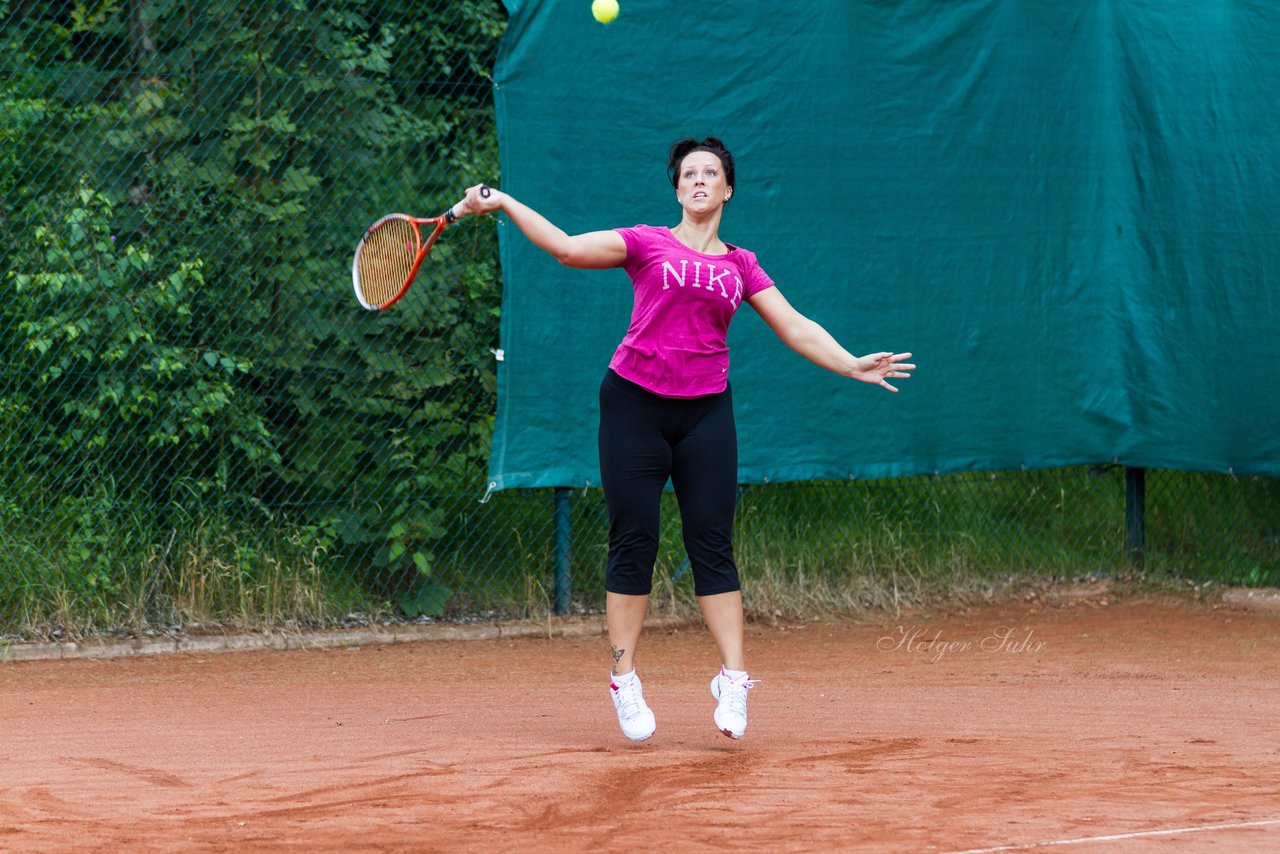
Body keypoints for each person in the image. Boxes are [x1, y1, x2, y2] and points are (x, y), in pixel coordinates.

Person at [460, 137, 914, 742]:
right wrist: (505, 202)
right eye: (689, 174)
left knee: (712, 542)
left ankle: (733, 678)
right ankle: (624, 680)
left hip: (705, 413)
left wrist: (852, 364)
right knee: (634, 541)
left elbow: (796, 326)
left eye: (711, 173)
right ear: (677, 189)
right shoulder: (647, 242)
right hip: (633, 406)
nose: (699, 180)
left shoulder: (741, 265)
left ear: (727, 189)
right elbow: (567, 249)